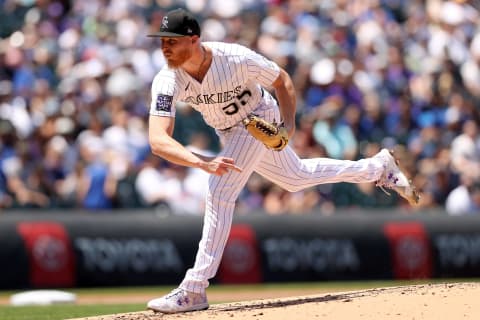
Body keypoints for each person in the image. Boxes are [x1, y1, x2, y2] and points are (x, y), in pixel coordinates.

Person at [145, 8, 419, 313]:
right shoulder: (167, 78)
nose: (165, 47)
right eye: (162, 41)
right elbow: (158, 140)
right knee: (295, 177)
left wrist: (287, 128)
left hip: (260, 116)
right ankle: (378, 167)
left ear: (194, 39)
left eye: (171, 40)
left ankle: (194, 288)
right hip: (228, 131)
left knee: (219, 190)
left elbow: (283, 81)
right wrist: (202, 161)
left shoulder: (234, 57)